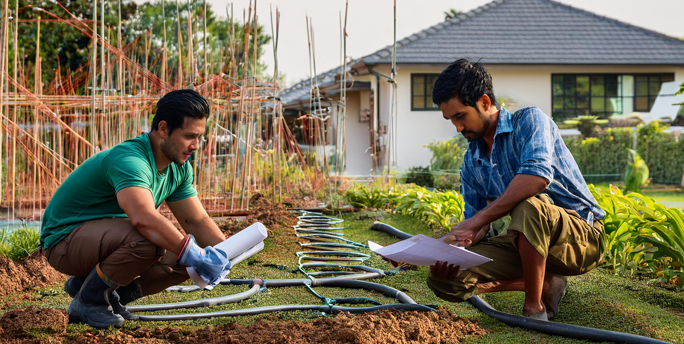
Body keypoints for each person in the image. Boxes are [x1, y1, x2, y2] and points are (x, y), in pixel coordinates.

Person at [426, 59, 606, 321]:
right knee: (445, 278)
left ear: (485, 103)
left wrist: (477, 220)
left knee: (528, 203)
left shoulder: (530, 121)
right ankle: (544, 283)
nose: (457, 127)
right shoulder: (472, 161)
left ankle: (534, 307)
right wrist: (431, 249)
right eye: (450, 119)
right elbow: (475, 228)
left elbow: (537, 178)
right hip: (529, 243)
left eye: (460, 116)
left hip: (581, 239)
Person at [40, 89, 231, 328]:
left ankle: (105, 292)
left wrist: (223, 254)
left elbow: (196, 220)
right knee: (150, 239)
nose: (195, 145)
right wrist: (194, 254)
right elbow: (143, 218)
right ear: (163, 128)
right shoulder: (131, 160)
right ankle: (88, 301)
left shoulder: (179, 167)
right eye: (189, 136)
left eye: (200, 137)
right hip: (63, 242)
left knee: (192, 257)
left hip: (105, 240)